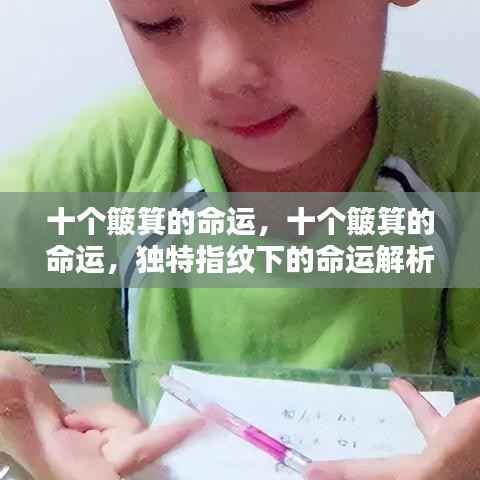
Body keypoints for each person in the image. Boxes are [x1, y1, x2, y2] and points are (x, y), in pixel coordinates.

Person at [1, 0, 480, 478]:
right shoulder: (116, 171)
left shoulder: (458, 164)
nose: (224, 72)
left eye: (281, 3)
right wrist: (24, 419)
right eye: (159, 23)